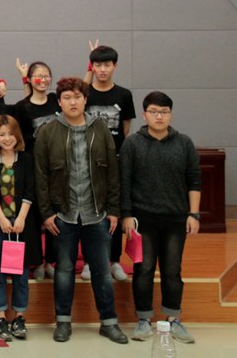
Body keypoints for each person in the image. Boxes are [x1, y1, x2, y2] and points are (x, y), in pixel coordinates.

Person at [34, 77, 127, 344]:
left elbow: (112, 173)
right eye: (67, 97)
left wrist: (113, 209)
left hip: (96, 213)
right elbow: (40, 176)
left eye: (77, 97)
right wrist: (46, 213)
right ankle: (63, 322)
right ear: (59, 101)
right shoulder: (47, 132)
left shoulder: (100, 129)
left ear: (85, 100)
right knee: (64, 270)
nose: (72, 102)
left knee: (101, 270)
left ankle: (109, 322)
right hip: (63, 214)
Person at [120, 91, 201, 344]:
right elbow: (124, 182)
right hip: (142, 219)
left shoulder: (184, 143)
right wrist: (126, 215)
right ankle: (143, 320)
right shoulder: (132, 143)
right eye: (154, 111)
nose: (159, 116)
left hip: (175, 218)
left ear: (170, 114)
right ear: (144, 114)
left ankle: (173, 319)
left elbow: (194, 180)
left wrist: (193, 214)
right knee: (143, 269)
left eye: (164, 112)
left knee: (172, 270)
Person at [0, 115, 40, 341]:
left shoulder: (26, 158)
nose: (7, 139)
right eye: (2, 134)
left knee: (20, 273)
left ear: (18, 136)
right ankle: (1, 319)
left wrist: (20, 218)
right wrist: (2, 220)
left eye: (11, 134)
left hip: (21, 225)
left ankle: (19, 317)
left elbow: (30, 190)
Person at [82, 44, 136, 282]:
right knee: (88, 211)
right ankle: (89, 261)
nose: (102, 69)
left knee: (114, 211)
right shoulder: (85, 94)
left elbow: (125, 129)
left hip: (115, 161)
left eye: (107, 65)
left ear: (115, 66)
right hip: (88, 161)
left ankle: (114, 261)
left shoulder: (124, 94)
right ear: (92, 67)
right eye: (98, 65)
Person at [12, 60, 60, 281]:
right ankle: (37, 261)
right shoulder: (21, 107)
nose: (43, 79)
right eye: (38, 76)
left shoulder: (56, 100)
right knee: (32, 217)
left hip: (56, 168)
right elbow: (19, 140)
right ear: (30, 80)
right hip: (32, 167)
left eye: (46, 75)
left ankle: (50, 261)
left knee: (53, 214)